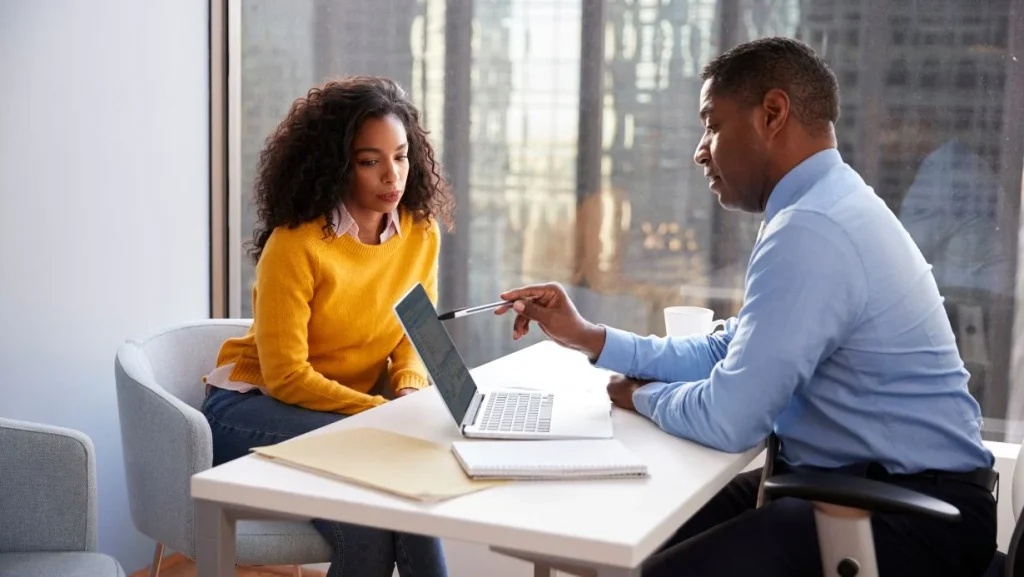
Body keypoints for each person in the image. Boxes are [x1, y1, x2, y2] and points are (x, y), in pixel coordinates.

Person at [496, 38, 997, 576]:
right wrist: (592, 338)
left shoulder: (813, 229)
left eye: (712, 124)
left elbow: (730, 419)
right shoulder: (825, 203)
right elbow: (729, 347)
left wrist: (642, 397)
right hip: (858, 488)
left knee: (662, 567)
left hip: (910, 517)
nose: (700, 149)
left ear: (772, 114)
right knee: (643, 533)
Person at [201, 76, 454, 577]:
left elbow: (412, 334)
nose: (392, 177)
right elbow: (286, 377)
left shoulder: (420, 232)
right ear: (337, 166)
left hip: (344, 413)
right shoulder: (296, 245)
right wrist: (380, 414)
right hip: (251, 407)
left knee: (373, 513)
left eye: (401, 156)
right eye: (369, 161)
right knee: (383, 464)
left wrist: (406, 391)